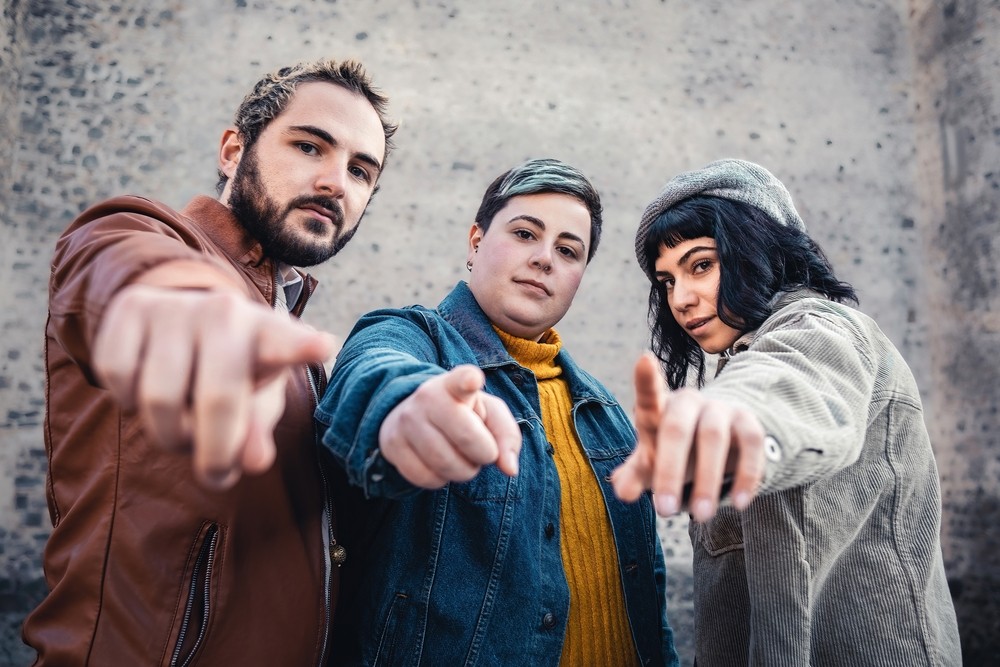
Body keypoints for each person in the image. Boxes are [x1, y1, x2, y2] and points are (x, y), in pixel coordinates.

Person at [23, 59, 396, 666]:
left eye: (360, 170)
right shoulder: (142, 235)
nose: (335, 181)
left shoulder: (291, 339)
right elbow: (122, 275)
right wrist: (181, 318)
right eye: (310, 146)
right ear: (232, 150)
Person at [316, 158, 679, 666]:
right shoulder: (412, 340)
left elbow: (648, 601)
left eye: (568, 250)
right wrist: (407, 411)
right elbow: (374, 372)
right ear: (475, 241)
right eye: (526, 233)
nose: (545, 258)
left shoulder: (603, 412)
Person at [612, 158, 962, 665]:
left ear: (759, 249)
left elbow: (792, 383)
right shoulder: (741, 359)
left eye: (701, 264)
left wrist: (733, 422)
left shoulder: (826, 327)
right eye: (666, 281)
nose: (681, 299)